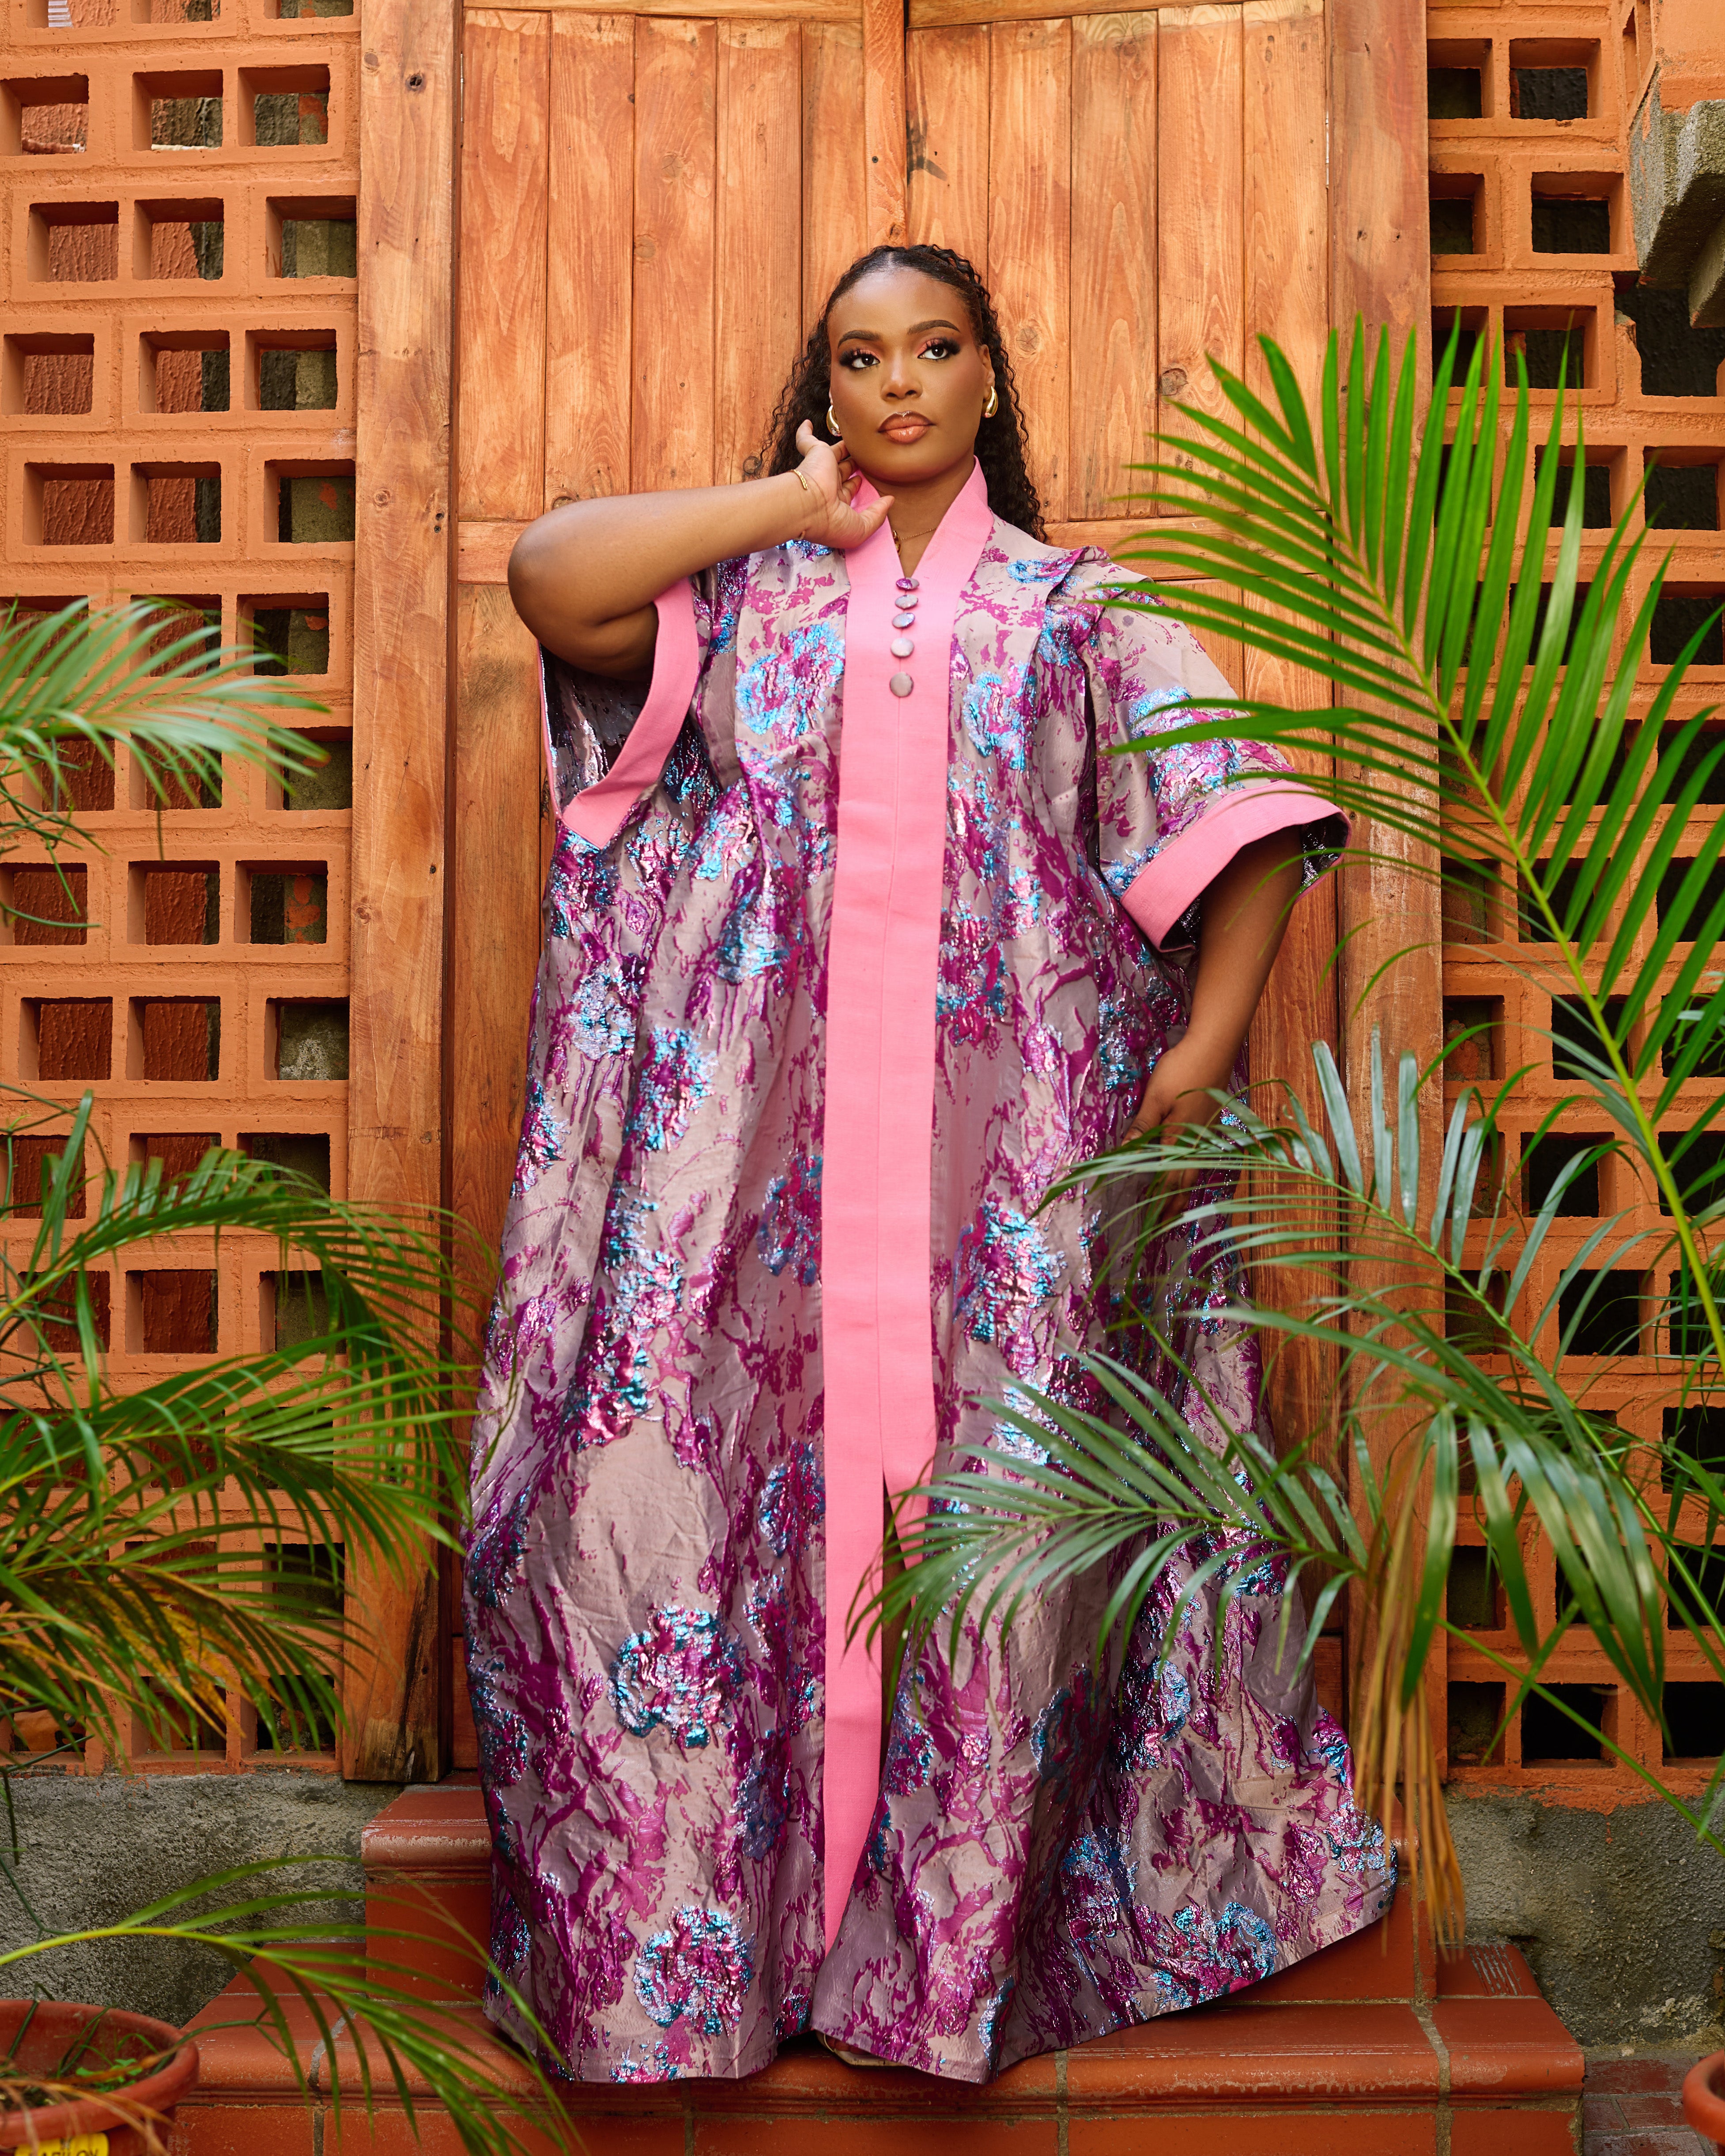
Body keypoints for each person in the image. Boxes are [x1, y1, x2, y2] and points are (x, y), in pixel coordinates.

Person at [463, 242, 1392, 2086]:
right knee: (659, 1500)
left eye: (933, 348)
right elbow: (546, 573)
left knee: (998, 1535)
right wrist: (784, 505)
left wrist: (1201, 1051)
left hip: (1002, 1184)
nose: (898, 383)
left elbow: (1250, 825)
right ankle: (711, 1957)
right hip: (747, 1192)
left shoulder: (1075, 614)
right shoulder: (739, 605)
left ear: (986, 377)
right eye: (859, 357)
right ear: (825, 392)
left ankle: (945, 1959)